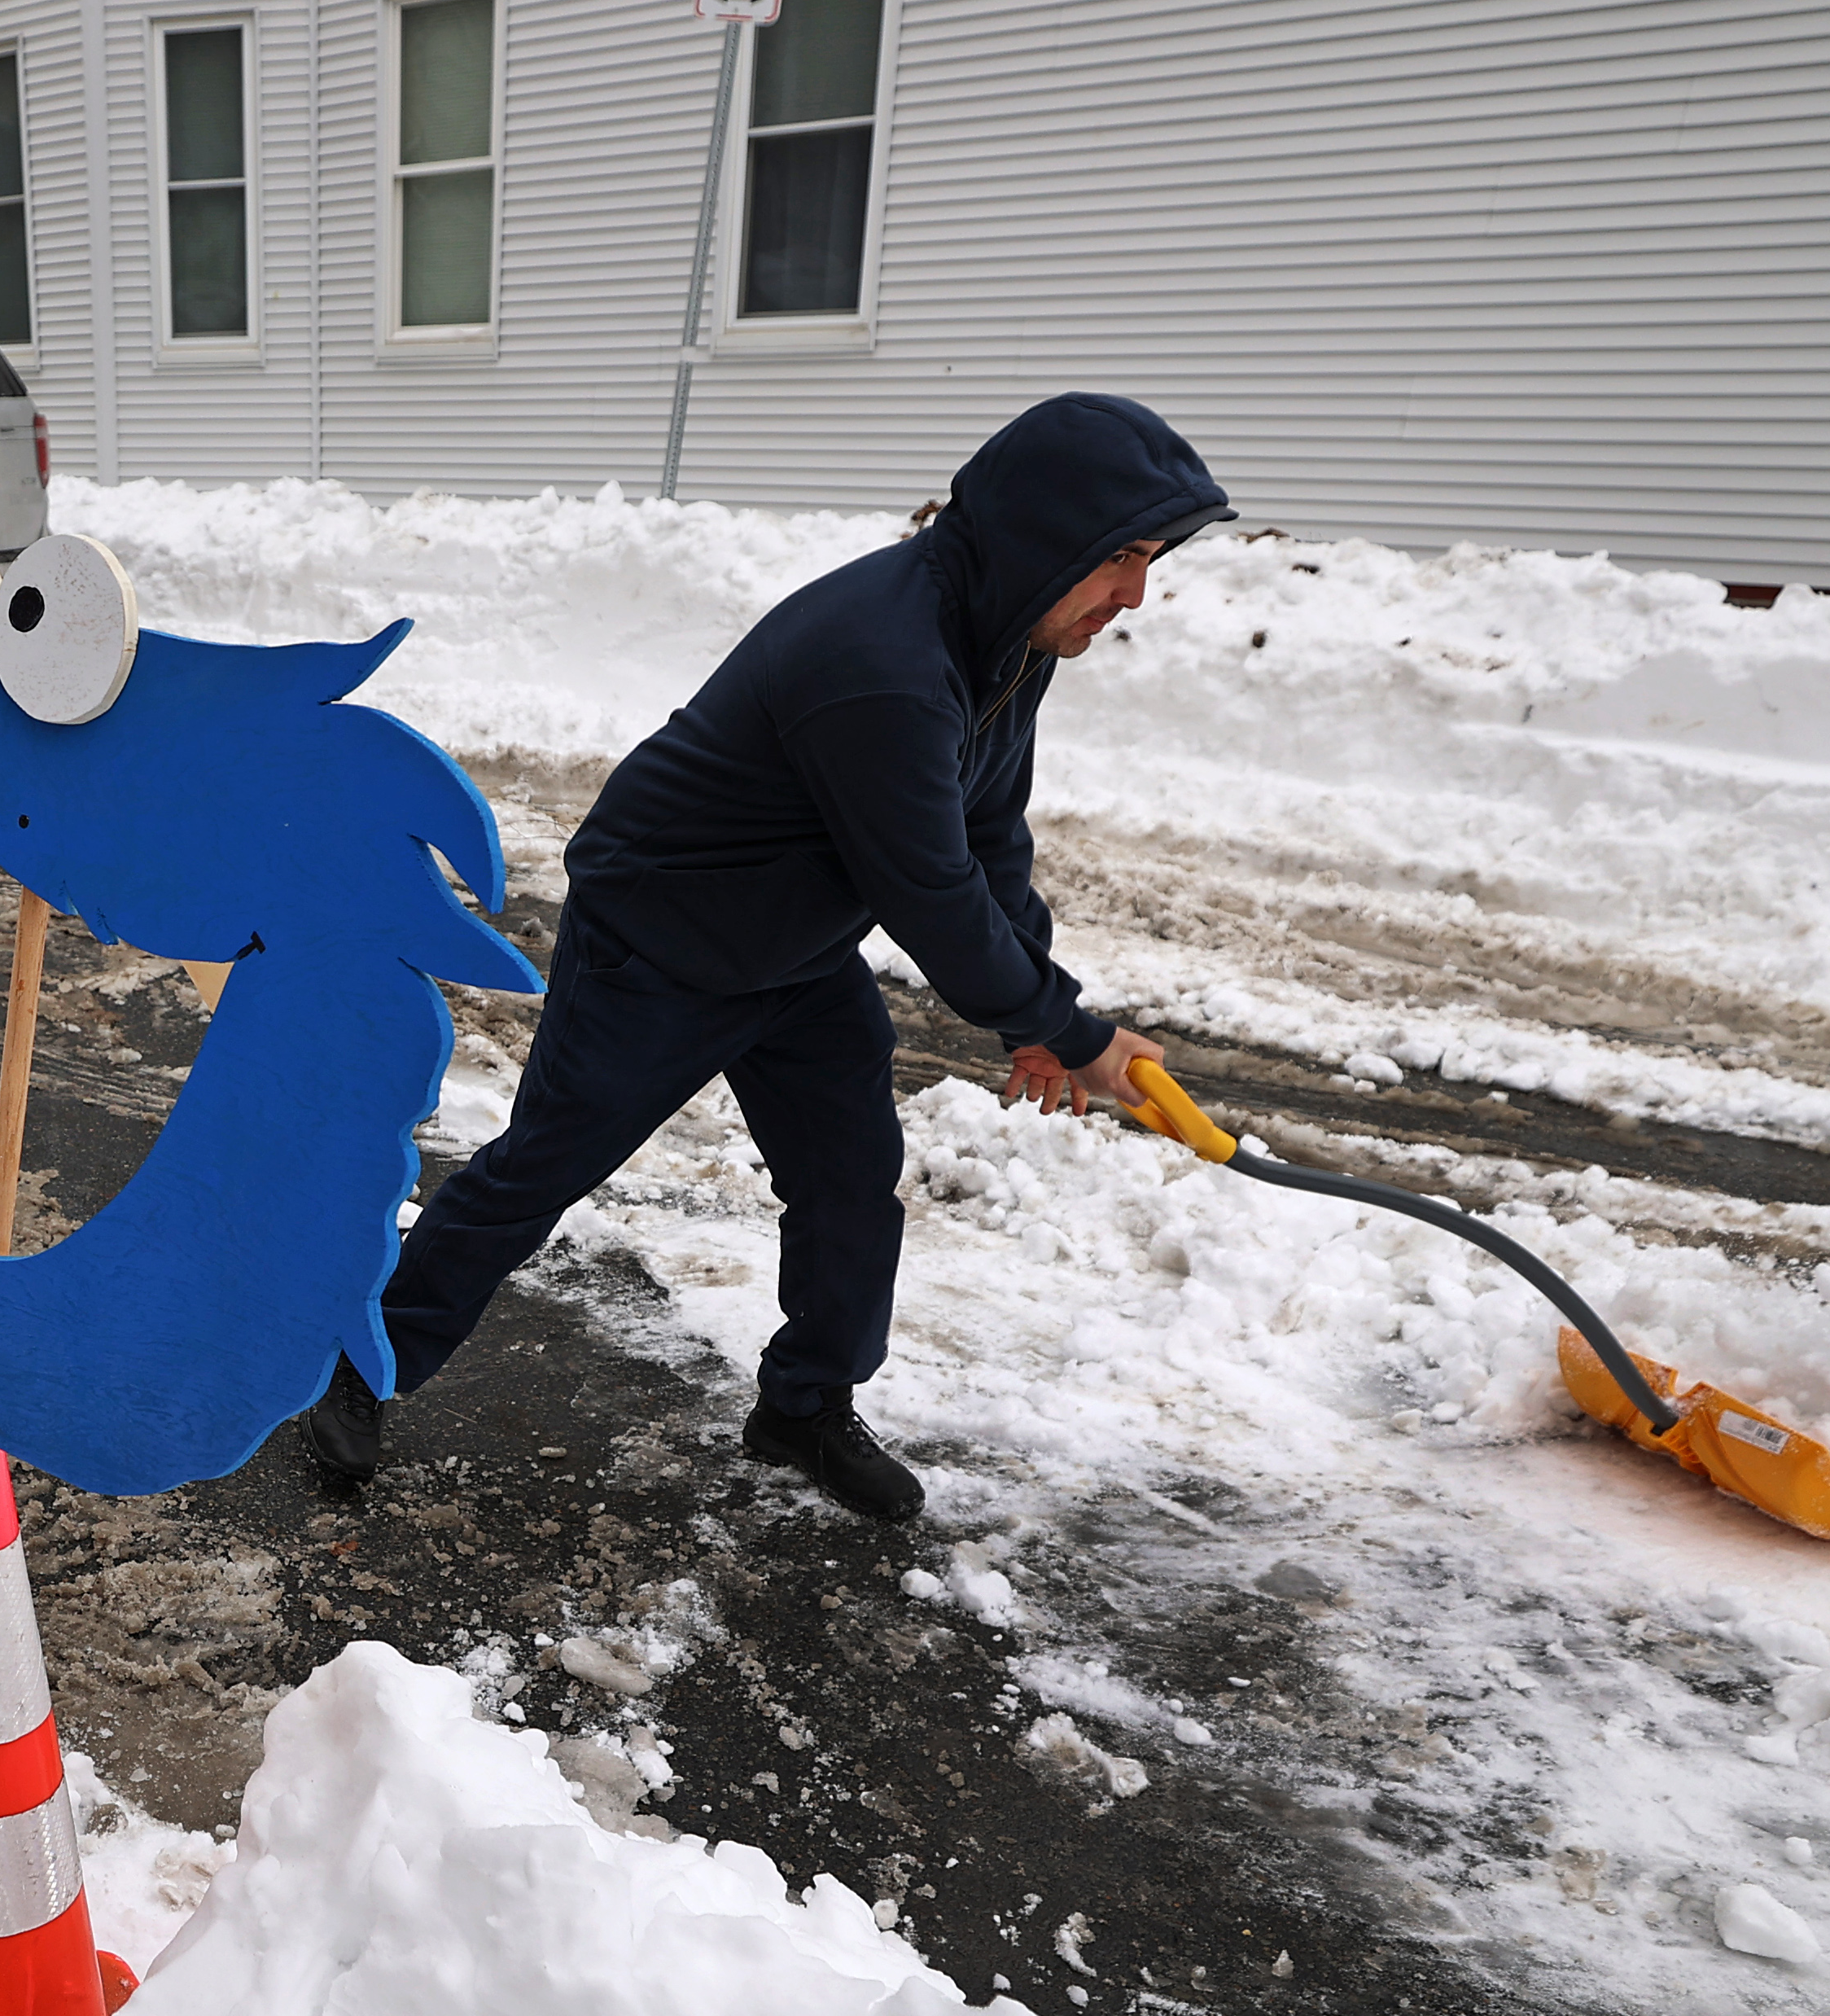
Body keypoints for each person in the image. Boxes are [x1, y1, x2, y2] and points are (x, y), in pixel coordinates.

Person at [304, 392, 1232, 1521]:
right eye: (1121, 558)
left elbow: (983, 834)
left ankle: (802, 1407)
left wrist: (1037, 1008)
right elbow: (928, 890)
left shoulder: (1003, 637)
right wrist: (1067, 1031)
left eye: (1149, 560)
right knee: (538, 1169)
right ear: (1047, 537)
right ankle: (360, 1365)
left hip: (795, 951)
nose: (1133, 596)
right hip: (661, 941)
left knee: (848, 1187)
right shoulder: (883, 661)